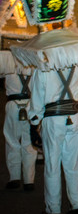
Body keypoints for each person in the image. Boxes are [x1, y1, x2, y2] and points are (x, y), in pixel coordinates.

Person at [27, 54, 78, 214]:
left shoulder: (43, 69)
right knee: (73, 162)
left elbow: (36, 98)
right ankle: (77, 204)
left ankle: (53, 208)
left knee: (52, 164)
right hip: (76, 116)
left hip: (53, 118)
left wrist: (34, 122)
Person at [2, 53, 35, 191]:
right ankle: (29, 180)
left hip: (13, 104)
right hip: (30, 103)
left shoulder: (6, 58)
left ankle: (14, 177)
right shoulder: (33, 59)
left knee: (12, 140)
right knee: (29, 142)